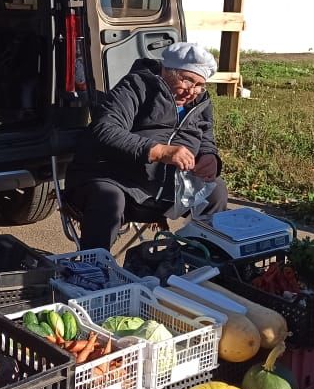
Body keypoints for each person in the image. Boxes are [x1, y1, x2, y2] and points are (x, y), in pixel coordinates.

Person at [64, 42, 228, 251]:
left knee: (216, 190)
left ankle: (205, 261)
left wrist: (209, 155)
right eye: (187, 80)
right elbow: (105, 129)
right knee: (108, 198)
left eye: (200, 85)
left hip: (170, 189)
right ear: (166, 70)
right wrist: (158, 151)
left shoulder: (200, 101)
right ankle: (93, 268)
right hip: (117, 178)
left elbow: (205, 135)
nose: (192, 91)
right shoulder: (137, 86)